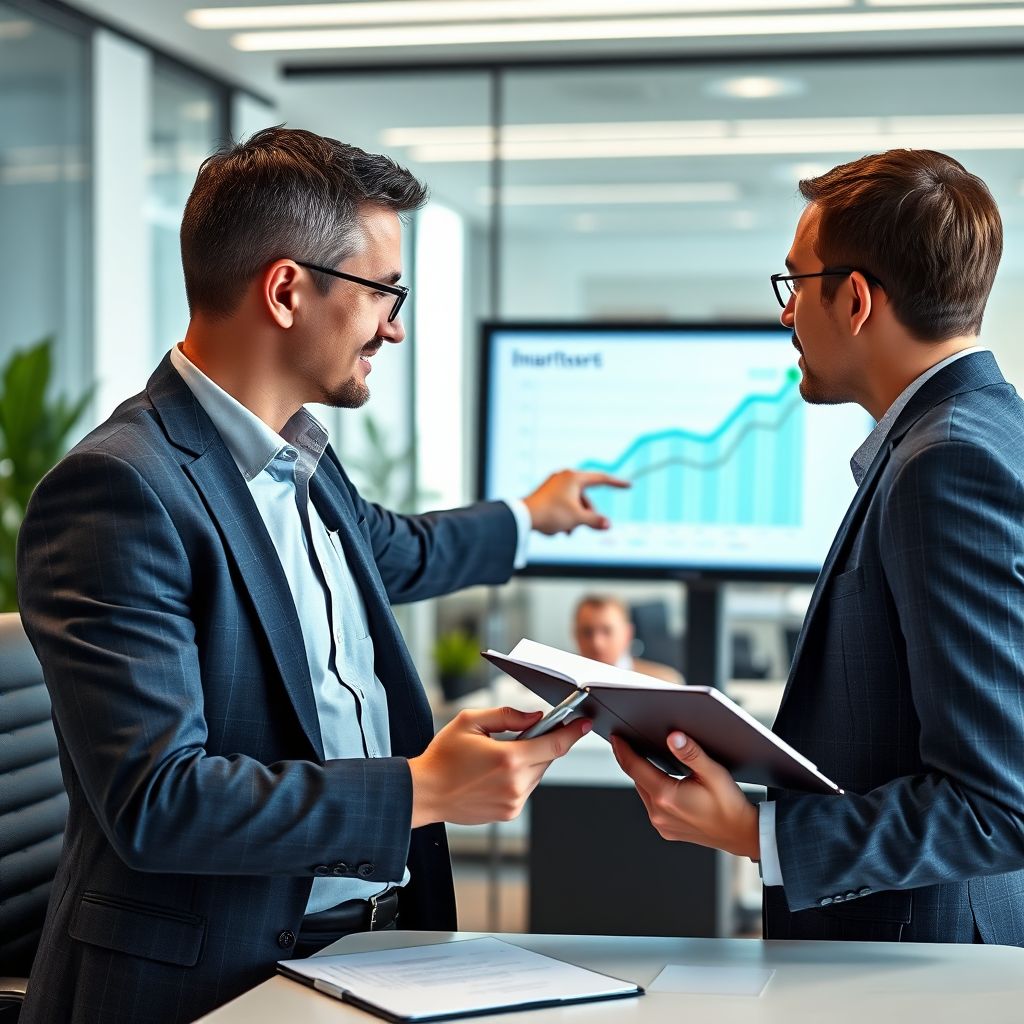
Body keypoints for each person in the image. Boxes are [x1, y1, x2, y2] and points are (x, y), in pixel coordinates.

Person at [16, 128, 626, 1024]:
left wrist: (531, 516)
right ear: (288, 289)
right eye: (386, 290)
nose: (397, 324)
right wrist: (424, 787)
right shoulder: (120, 488)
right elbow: (157, 801)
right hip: (208, 982)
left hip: (371, 952)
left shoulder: (301, 462)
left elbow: (394, 550)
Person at [612, 148, 1024, 944]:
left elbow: (996, 805)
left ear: (857, 301)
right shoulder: (981, 430)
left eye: (794, 285)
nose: (784, 314)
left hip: (915, 961)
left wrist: (750, 833)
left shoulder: (947, 464)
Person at [574, 595, 683, 683]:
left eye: (607, 631)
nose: (597, 643)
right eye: (587, 632)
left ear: (627, 634)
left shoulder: (664, 684)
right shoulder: (563, 688)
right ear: (575, 635)